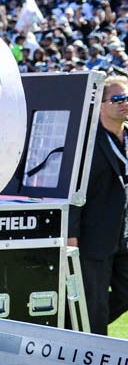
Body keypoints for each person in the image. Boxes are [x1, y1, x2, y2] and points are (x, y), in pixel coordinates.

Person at [68, 74, 128, 335]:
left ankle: (73, 326)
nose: (124, 103)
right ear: (101, 104)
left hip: (124, 236)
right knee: (94, 305)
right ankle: (90, 343)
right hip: (94, 236)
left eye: (127, 97)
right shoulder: (88, 142)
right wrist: (71, 235)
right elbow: (74, 191)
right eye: (117, 98)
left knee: (123, 295)